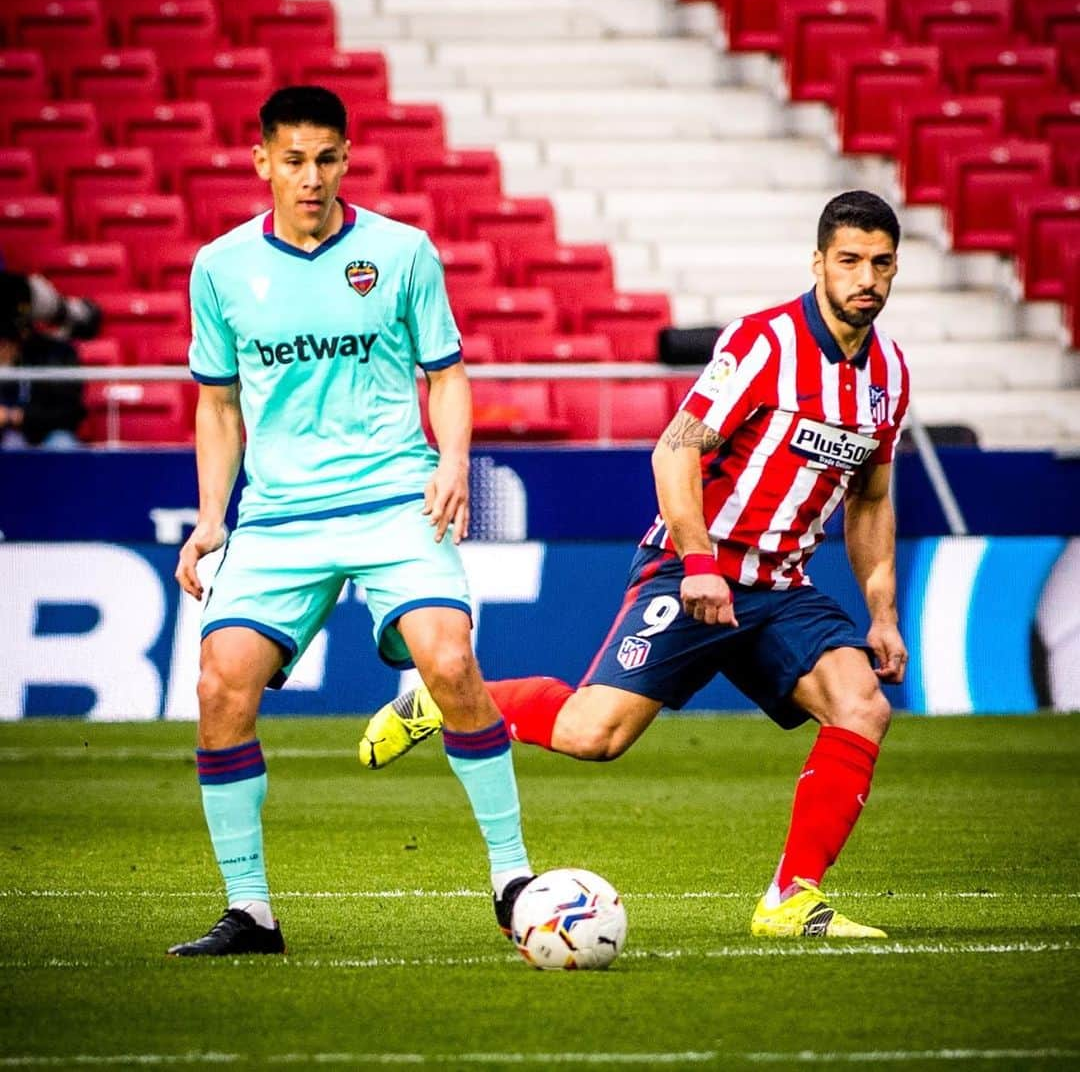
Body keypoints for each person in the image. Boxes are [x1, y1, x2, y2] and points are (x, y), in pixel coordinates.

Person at [361, 190, 911, 939]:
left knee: (862, 706)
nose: (865, 279)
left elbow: (871, 500)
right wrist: (697, 560)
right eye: (849, 261)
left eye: (881, 264)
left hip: (782, 588)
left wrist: (881, 614)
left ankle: (790, 897)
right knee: (596, 736)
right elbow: (676, 447)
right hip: (694, 574)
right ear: (818, 263)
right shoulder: (764, 345)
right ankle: (451, 698)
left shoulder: (890, 376)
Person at [170, 85, 534, 957]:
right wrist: (211, 518)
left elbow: (446, 374)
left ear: (346, 159)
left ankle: (511, 876)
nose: (310, 177)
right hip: (282, 515)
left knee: (449, 658)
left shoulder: (402, 252)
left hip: (390, 497)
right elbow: (218, 406)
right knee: (222, 685)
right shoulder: (220, 268)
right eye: (292, 160)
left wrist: (451, 463)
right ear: (262, 161)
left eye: (326, 158)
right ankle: (250, 911)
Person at [0, 272, 86, 449]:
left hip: (48, 433)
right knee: (12, 445)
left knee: (63, 444)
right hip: (7, 439)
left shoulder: (59, 353)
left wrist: (20, 416)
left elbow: (71, 413)